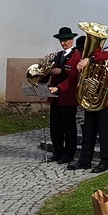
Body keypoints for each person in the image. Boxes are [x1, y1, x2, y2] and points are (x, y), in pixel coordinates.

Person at [65, 38, 108, 173]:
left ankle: (105, 162)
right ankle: (85, 161)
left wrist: (88, 60)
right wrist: (58, 88)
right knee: (88, 131)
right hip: (91, 99)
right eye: (79, 51)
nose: (80, 53)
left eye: (81, 50)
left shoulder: (97, 56)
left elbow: (106, 54)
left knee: (104, 132)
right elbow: (73, 79)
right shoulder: (82, 61)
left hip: (106, 99)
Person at [39, 27, 80, 163]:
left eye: (66, 40)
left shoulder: (77, 55)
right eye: (61, 41)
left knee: (68, 126)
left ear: (72, 40)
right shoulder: (57, 55)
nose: (63, 43)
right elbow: (46, 76)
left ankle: (69, 154)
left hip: (68, 95)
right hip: (55, 96)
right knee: (55, 125)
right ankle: (57, 151)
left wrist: (61, 71)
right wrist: (44, 70)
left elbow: (75, 75)